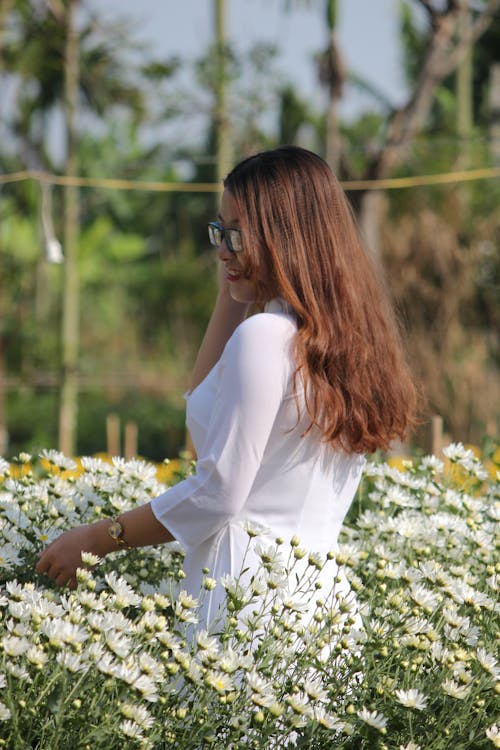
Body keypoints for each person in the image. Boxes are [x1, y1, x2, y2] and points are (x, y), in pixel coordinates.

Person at [36, 145, 416, 628]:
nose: (221, 249)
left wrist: (95, 538)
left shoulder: (264, 337)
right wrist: (230, 288)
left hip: (245, 599)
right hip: (320, 606)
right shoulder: (344, 349)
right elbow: (204, 412)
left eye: (235, 235)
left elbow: (218, 492)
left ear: (285, 239)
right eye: (219, 231)